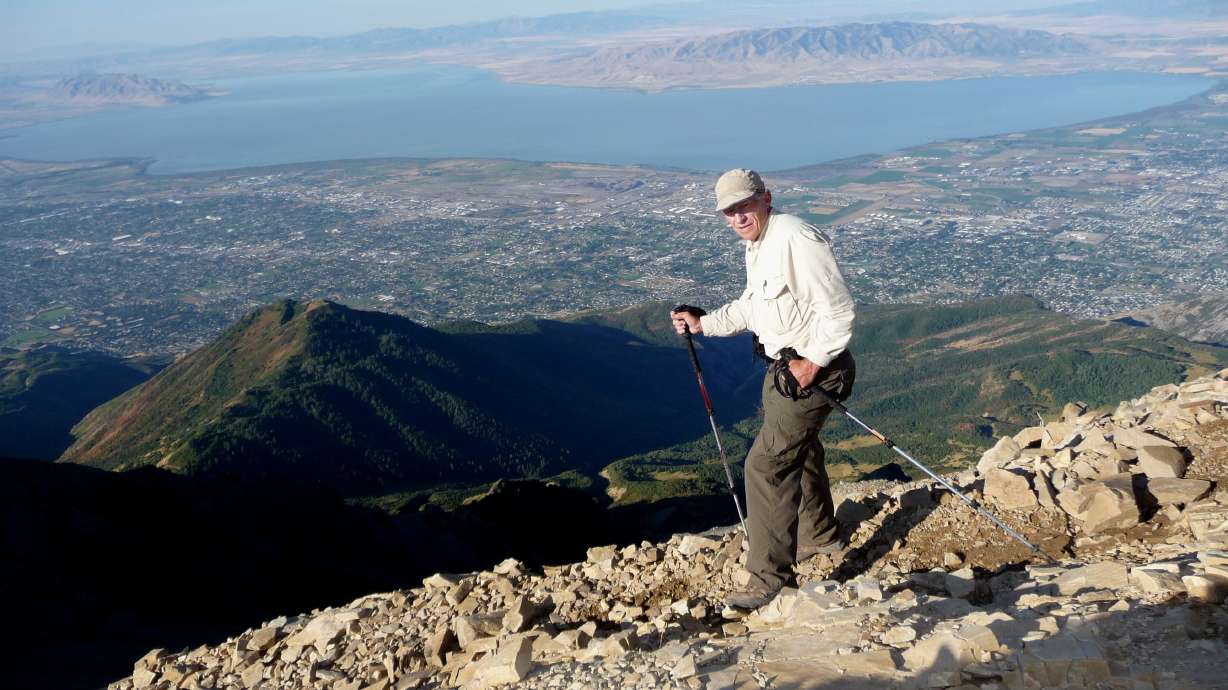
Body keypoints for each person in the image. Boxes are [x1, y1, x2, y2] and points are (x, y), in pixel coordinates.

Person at [670, 168, 856, 610]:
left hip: (813, 371)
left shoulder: (794, 238)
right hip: (784, 371)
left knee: (765, 465)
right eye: (728, 211)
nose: (737, 217)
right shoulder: (759, 244)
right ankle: (821, 537)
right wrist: (705, 324)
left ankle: (768, 579)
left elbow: (840, 308)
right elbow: (755, 306)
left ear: (766, 198)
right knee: (800, 451)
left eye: (744, 206)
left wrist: (812, 363)